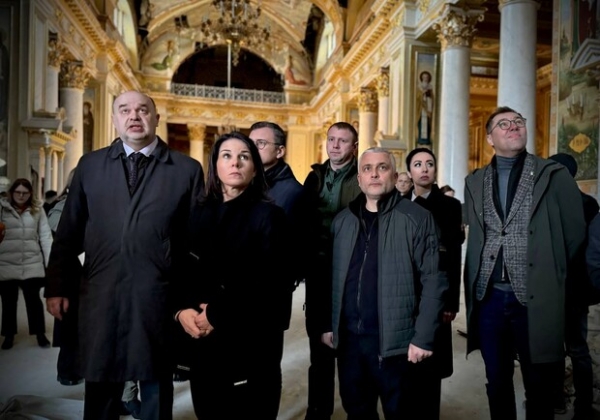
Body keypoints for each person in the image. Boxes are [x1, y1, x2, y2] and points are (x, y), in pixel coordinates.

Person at [44, 90, 205, 420]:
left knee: (155, 379)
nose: (134, 116)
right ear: (114, 119)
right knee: (101, 376)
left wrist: (190, 300)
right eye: (125, 110)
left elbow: (196, 243)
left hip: (158, 293)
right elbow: (69, 231)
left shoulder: (186, 170)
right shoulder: (90, 165)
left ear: (156, 118)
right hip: (101, 292)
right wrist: (57, 285)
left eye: (143, 110)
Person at [463, 106, 586, 420]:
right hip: (489, 297)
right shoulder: (475, 181)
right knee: (497, 381)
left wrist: (549, 270)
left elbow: (574, 233)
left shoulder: (552, 175)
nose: (513, 126)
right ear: (489, 138)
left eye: (518, 121)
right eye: (503, 123)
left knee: (539, 384)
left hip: (535, 298)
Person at [174, 131, 294, 419]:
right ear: (215, 164)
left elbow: (271, 284)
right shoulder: (196, 213)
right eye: (226, 156)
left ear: (254, 168)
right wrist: (181, 311)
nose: (235, 163)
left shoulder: (271, 216)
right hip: (203, 339)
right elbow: (181, 270)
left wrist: (216, 314)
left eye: (244, 157)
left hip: (250, 343)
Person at [322, 147, 447, 419]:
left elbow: (434, 281)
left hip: (396, 344)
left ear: (394, 175)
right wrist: (328, 325)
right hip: (351, 343)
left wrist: (424, 338)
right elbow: (331, 278)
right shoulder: (343, 221)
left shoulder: (417, 217)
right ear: (359, 179)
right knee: (357, 411)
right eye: (367, 169)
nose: (374, 174)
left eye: (382, 167)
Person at [302, 121, 362, 420]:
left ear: (355, 147)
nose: (335, 145)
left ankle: (356, 411)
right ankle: (318, 412)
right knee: (319, 352)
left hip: (351, 271)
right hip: (318, 272)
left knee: (350, 352)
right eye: (331, 139)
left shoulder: (363, 177)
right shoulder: (314, 177)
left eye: (342, 141)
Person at [406, 147, 465, 418]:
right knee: (404, 365)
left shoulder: (450, 206)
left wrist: (451, 302)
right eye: (418, 164)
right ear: (409, 172)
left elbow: (453, 256)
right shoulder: (398, 204)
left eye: (429, 163)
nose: (424, 168)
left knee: (431, 363)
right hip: (404, 293)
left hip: (436, 294)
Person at [548, 152, 599, 419]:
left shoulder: (557, 204)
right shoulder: (588, 203)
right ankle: (580, 406)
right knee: (572, 348)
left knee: (563, 348)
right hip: (573, 288)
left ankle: (564, 401)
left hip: (564, 288)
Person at [0, 178, 52, 350]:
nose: (21, 196)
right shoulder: (2, 209)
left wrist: (50, 262)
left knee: (34, 300)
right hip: (6, 262)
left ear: (30, 194)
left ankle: (40, 334)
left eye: (25, 193)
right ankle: (8, 335)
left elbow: (45, 236)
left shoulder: (37, 210)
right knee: (8, 301)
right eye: (18, 192)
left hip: (31, 262)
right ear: (12, 192)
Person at [46, 167, 83, 386]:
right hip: (70, 272)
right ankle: (67, 371)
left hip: (91, 271)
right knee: (69, 325)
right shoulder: (62, 206)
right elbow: (62, 233)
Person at [416, 70, 434, 146]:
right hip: (421, 109)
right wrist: (422, 94)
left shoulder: (430, 88)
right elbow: (417, 98)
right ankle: (420, 139)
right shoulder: (419, 87)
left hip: (428, 109)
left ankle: (427, 140)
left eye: (427, 77)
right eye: (424, 77)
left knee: (427, 125)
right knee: (421, 123)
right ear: (422, 78)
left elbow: (432, 98)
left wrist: (428, 97)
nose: (425, 79)